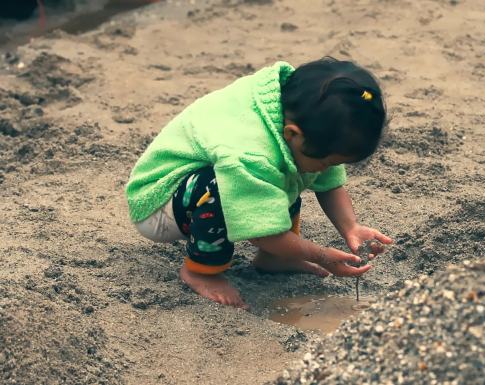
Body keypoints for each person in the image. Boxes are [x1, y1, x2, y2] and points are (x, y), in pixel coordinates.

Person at [126, 57, 393, 309]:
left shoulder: (304, 114)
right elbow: (263, 232)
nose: (328, 170)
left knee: (290, 171)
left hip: (202, 186)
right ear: (292, 134)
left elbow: (329, 184)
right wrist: (321, 254)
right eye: (327, 163)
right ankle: (199, 271)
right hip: (159, 203)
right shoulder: (251, 154)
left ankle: (276, 259)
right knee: (219, 187)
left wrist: (351, 227)